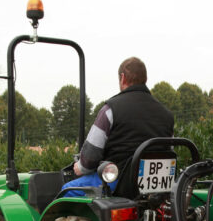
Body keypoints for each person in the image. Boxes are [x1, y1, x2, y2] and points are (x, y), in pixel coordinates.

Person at [61, 57, 174, 197]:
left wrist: (81, 167)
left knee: (68, 189)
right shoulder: (167, 114)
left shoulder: (111, 109)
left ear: (122, 78)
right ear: (145, 79)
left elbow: (92, 153)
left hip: (120, 182)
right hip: (156, 188)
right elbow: (168, 153)